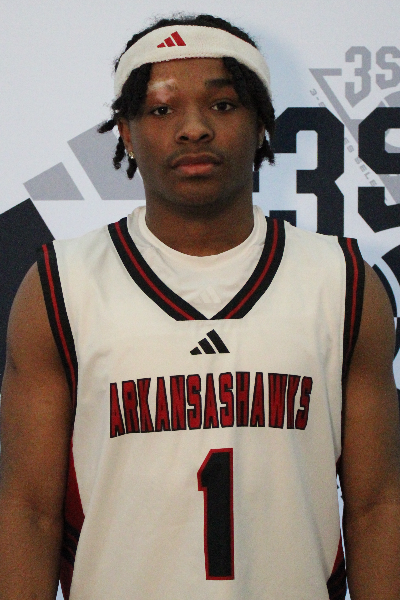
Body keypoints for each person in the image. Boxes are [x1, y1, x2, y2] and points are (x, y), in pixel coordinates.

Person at [0, 13, 399, 600]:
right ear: (126, 133)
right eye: (162, 109)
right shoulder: (62, 285)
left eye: (223, 105)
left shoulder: (340, 280)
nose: (194, 129)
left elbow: (376, 504)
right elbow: (28, 511)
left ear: (261, 124)